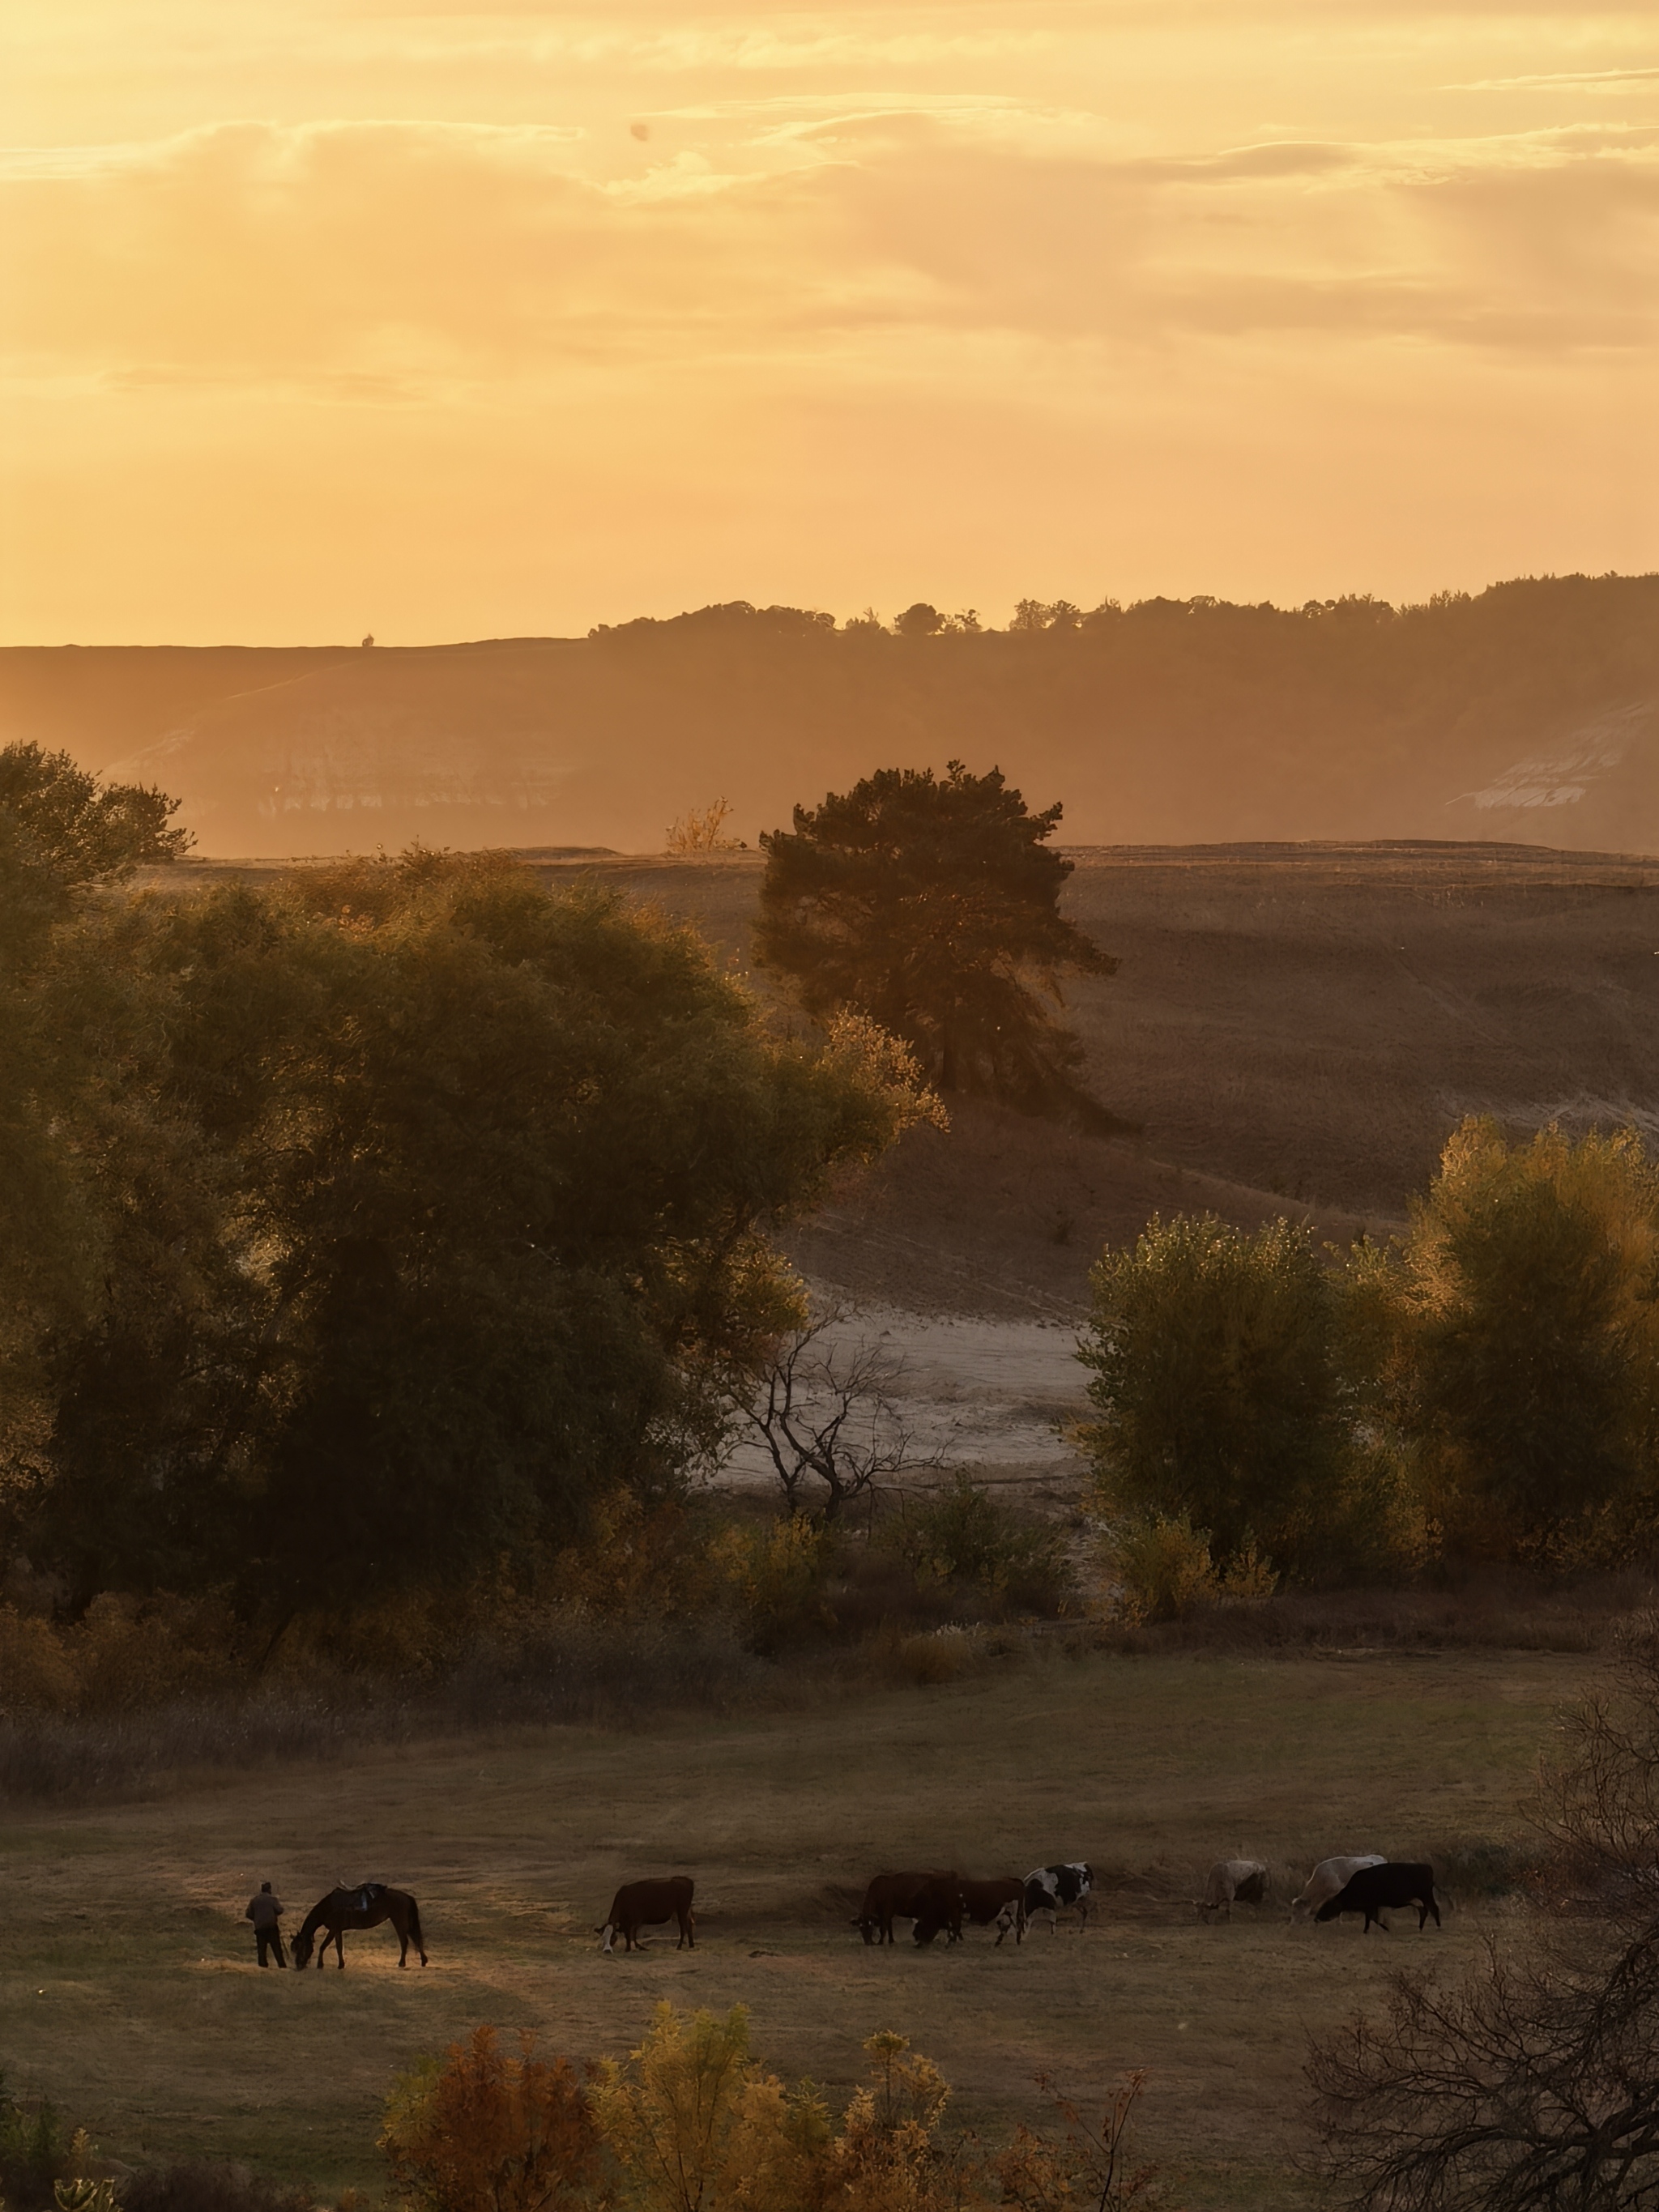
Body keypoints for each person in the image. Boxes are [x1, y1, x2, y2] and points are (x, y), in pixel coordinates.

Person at [245, 1881, 287, 1967]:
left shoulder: (254, 1901)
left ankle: (263, 1971)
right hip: (271, 1928)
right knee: (277, 1951)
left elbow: (248, 1914)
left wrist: (256, 1919)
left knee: (262, 1953)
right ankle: (282, 1968)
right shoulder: (272, 1899)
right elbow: (280, 1910)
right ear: (269, 1890)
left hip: (260, 1929)